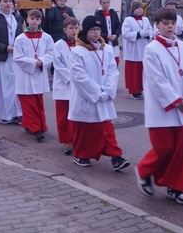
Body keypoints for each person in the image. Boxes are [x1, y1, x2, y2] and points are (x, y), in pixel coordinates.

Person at [135, 7, 183, 206]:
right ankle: (143, 170)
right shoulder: (152, 49)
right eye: (165, 23)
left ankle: (176, 187)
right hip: (163, 108)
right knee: (164, 147)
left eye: (172, 23)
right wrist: (176, 101)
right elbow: (157, 80)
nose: (170, 26)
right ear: (157, 25)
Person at [68, 15, 130, 172]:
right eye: (92, 30)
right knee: (85, 129)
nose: (96, 33)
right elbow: (79, 77)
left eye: (98, 30)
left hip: (104, 96)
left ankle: (116, 157)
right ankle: (81, 154)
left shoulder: (107, 49)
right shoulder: (77, 52)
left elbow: (112, 71)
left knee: (105, 127)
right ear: (86, 31)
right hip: (86, 97)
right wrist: (96, 92)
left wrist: (107, 90)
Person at [14, 9, 54, 142]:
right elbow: (18, 57)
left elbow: (51, 53)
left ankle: (31, 124)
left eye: (37, 19)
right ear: (27, 20)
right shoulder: (20, 38)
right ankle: (37, 129)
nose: (34, 21)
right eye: (32, 19)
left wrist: (42, 61)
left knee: (38, 102)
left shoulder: (46, 37)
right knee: (28, 102)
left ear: (40, 21)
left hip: (39, 73)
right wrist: (33, 62)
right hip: (26, 75)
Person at [0, 0, 24, 125]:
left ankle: (17, 113)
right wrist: (5, 48)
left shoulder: (17, 18)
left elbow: (21, 36)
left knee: (16, 86)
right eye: (5, 1)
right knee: (4, 87)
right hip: (2, 58)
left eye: (10, 2)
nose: (8, 4)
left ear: (13, 4)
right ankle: (4, 114)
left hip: (15, 58)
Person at [53, 16, 79, 154]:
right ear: (65, 30)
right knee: (63, 115)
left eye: (76, 28)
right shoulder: (58, 45)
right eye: (71, 28)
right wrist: (72, 78)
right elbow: (58, 65)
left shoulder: (81, 45)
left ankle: (76, 139)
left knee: (75, 114)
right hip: (64, 85)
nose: (74, 31)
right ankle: (67, 141)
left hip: (78, 86)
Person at [121, 0, 152, 99]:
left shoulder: (146, 20)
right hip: (133, 50)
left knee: (143, 72)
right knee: (134, 72)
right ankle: (134, 90)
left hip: (143, 48)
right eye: (138, 8)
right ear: (133, 9)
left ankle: (142, 88)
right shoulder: (128, 20)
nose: (140, 10)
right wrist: (139, 34)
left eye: (141, 8)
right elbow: (125, 34)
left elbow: (151, 31)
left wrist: (149, 35)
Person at [94, 0, 121, 65]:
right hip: (104, 42)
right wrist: (106, 36)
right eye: (104, 3)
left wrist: (116, 35)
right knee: (105, 61)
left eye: (108, 2)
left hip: (114, 41)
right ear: (100, 3)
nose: (106, 4)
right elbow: (97, 29)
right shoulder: (97, 15)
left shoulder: (113, 13)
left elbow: (119, 26)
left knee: (116, 61)